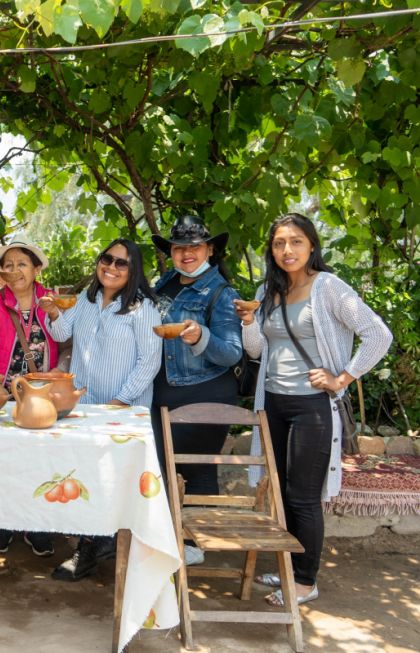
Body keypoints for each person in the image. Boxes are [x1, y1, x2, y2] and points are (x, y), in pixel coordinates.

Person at [235, 213, 391, 606]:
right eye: (279, 243)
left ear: (311, 246)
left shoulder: (330, 289)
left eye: (296, 242)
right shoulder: (267, 290)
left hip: (312, 407)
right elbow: (255, 351)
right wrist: (250, 320)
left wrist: (343, 377)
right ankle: (288, 569)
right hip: (272, 402)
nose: (287, 250)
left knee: (304, 496)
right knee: (282, 494)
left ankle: (305, 581)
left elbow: (378, 335)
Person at [41, 238, 162, 581]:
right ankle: (93, 544)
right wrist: (54, 312)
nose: (111, 266)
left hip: (124, 409)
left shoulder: (142, 308)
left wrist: (121, 401)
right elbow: (62, 332)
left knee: (117, 479)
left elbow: (150, 359)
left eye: (121, 263)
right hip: (87, 406)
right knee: (85, 475)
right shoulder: (86, 299)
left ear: (133, 269)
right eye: (106, 259)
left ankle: (101, 546)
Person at [149, 215, 243, 567]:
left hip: (206, 392)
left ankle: (193, 545)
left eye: (195, 247)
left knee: (198, 468)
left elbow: (232, 351)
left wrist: (199, 335)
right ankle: (166, 537)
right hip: (163, 389)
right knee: (161, 465)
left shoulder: (222, 293)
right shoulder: (167, 281)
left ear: (210, 249)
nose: (187, 253)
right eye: (179, 247)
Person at [0, 237, 61, 557]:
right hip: (2, 393)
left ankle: (38, 526)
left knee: (40, 461)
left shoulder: (50, 298)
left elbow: (67, 337)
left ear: (36, 268)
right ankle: (3, 524)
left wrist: (57, 315)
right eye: (8, 264)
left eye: (22, 263)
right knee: (2, 460)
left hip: (41, 395)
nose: (15, 269)